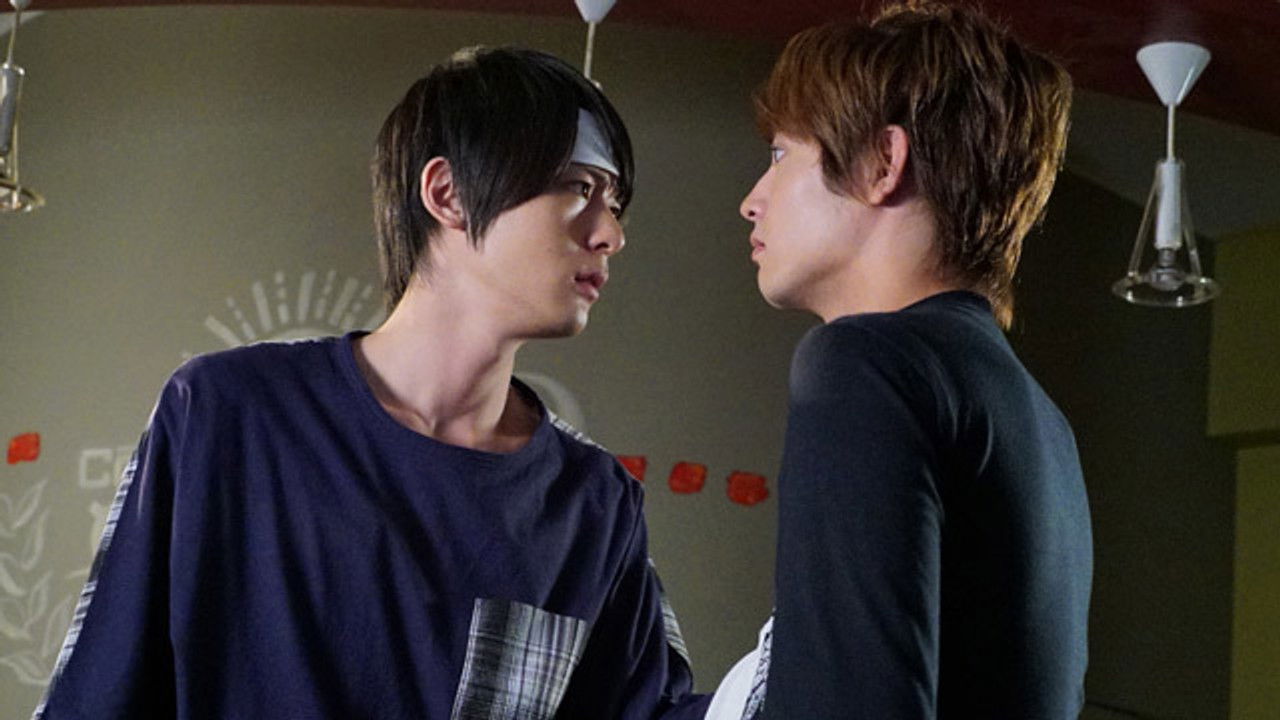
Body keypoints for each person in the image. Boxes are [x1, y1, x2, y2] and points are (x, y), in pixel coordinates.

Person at [36, 46, 709, 720]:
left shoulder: (594, 501)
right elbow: (98, 695)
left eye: (615, 203)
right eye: (580, 188)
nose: (612, 234)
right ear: (447, 193)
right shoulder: (226, 413)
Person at [714, 3, 1094, 719]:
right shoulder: (1044, 423)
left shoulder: (867, 363)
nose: (751, 201)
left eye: (781, 155)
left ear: (881, 163)